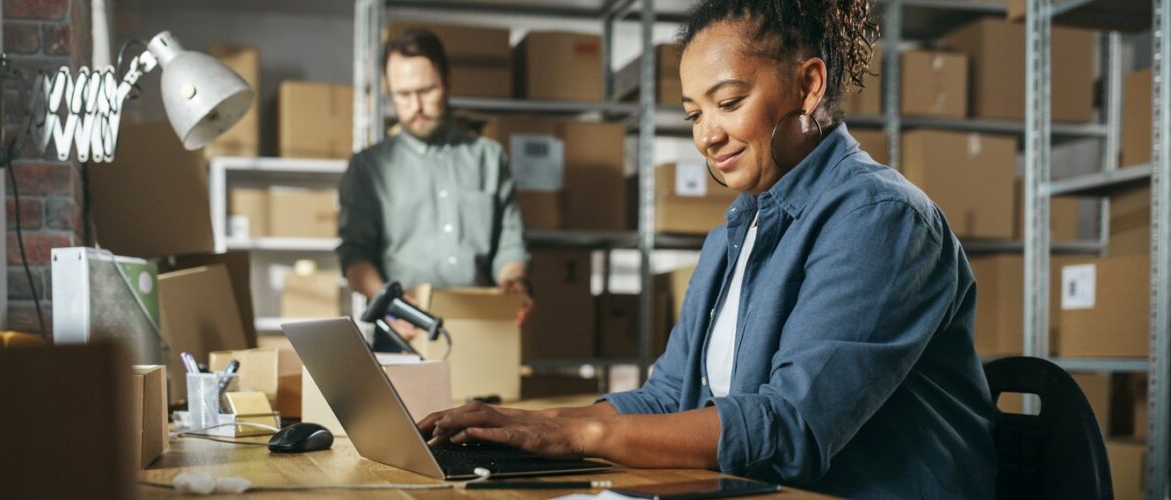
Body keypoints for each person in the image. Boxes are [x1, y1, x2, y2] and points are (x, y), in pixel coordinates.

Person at [417, 1, 997, 498]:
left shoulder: (881, 220)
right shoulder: (737, 229)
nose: (706, 135)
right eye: (694, 113)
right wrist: (525, 425)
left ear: (809, 84)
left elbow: (790, 427)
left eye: (728, 101)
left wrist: (576, 435)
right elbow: (670, 395)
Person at [338, 28, 530, 342]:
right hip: (404, 332)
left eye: (426, 90)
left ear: (448, 84)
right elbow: (355, 256)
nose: (416, 106)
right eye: (403, 95)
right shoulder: (368, 168)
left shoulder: (489, 158)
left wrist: (514, 281)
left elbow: (509, 246)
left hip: (481, 328)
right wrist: (390, 304)